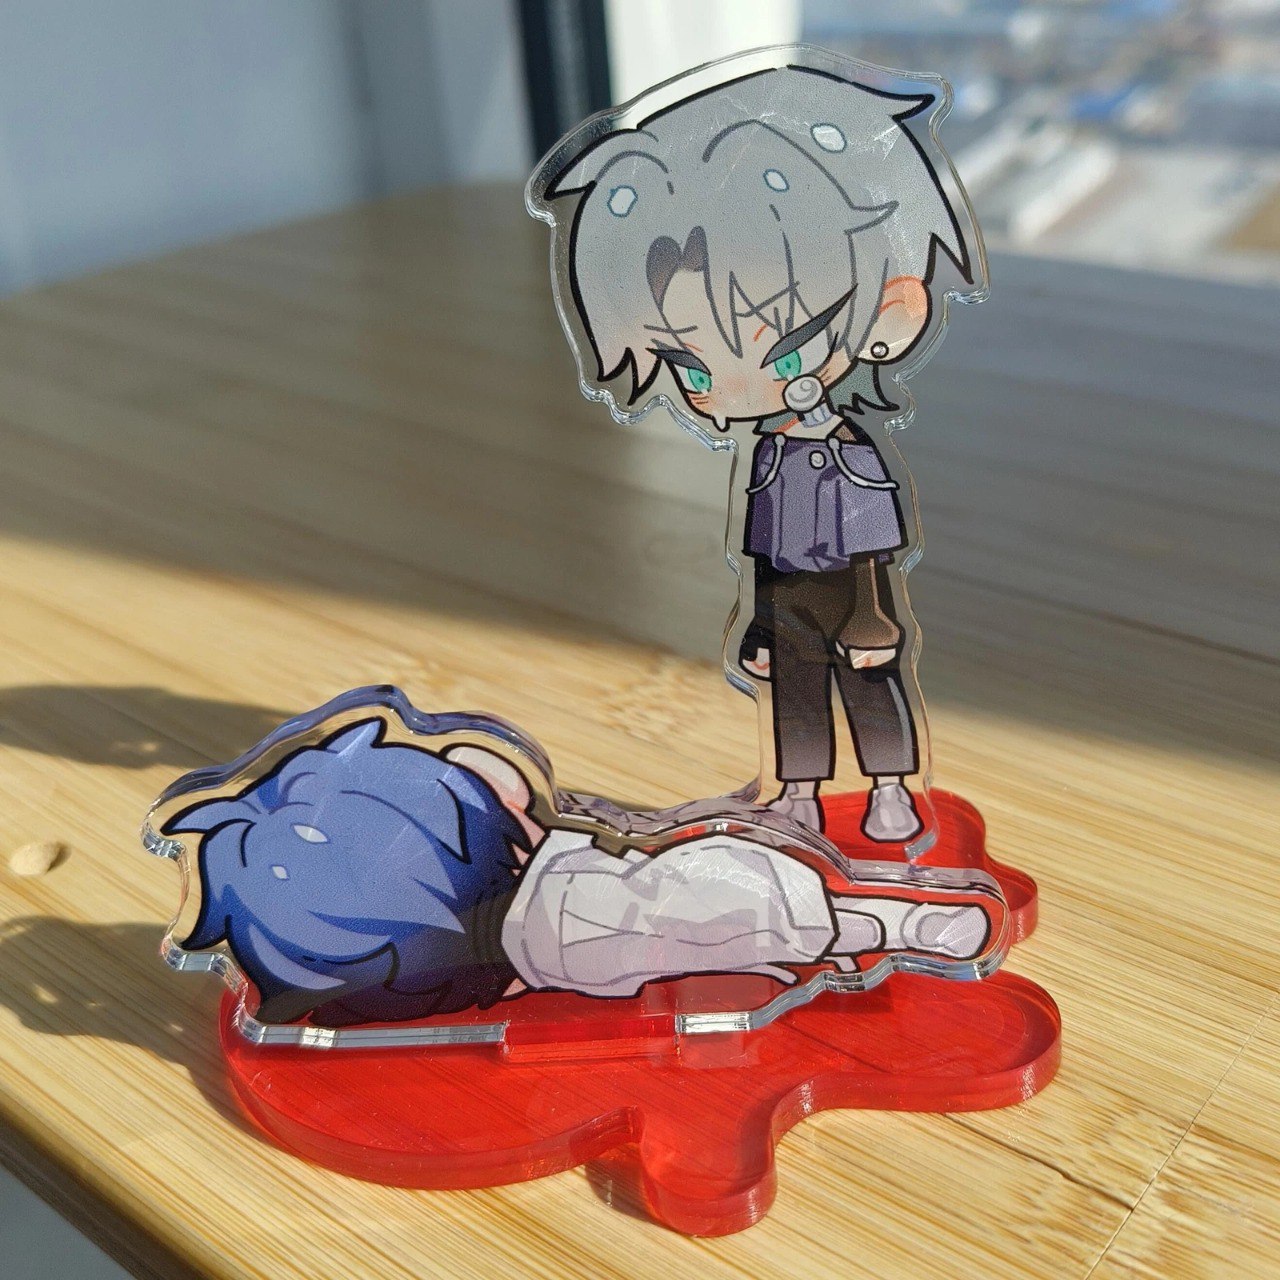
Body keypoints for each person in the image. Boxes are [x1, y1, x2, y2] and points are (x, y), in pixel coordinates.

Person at [534, 53, 982, 841]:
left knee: (870, 687)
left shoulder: (851, 452)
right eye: (692, 368)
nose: (734, 387)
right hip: (783, 600)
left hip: (851, 596)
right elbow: (760, 552)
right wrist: (755, 623)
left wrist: (873, 617)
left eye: (785, 350)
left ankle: (891, 791)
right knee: (795, 697)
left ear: (891, 314)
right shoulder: (766, 455)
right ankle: (799, 795)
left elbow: (873, 551)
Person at [165, 718, 991, 1027]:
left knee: (715, 906)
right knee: (720, 902)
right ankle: (888, 927)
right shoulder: (548, 901)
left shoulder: (385, 934)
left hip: (531, 934)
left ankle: (871, 928)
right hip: (551, 918)